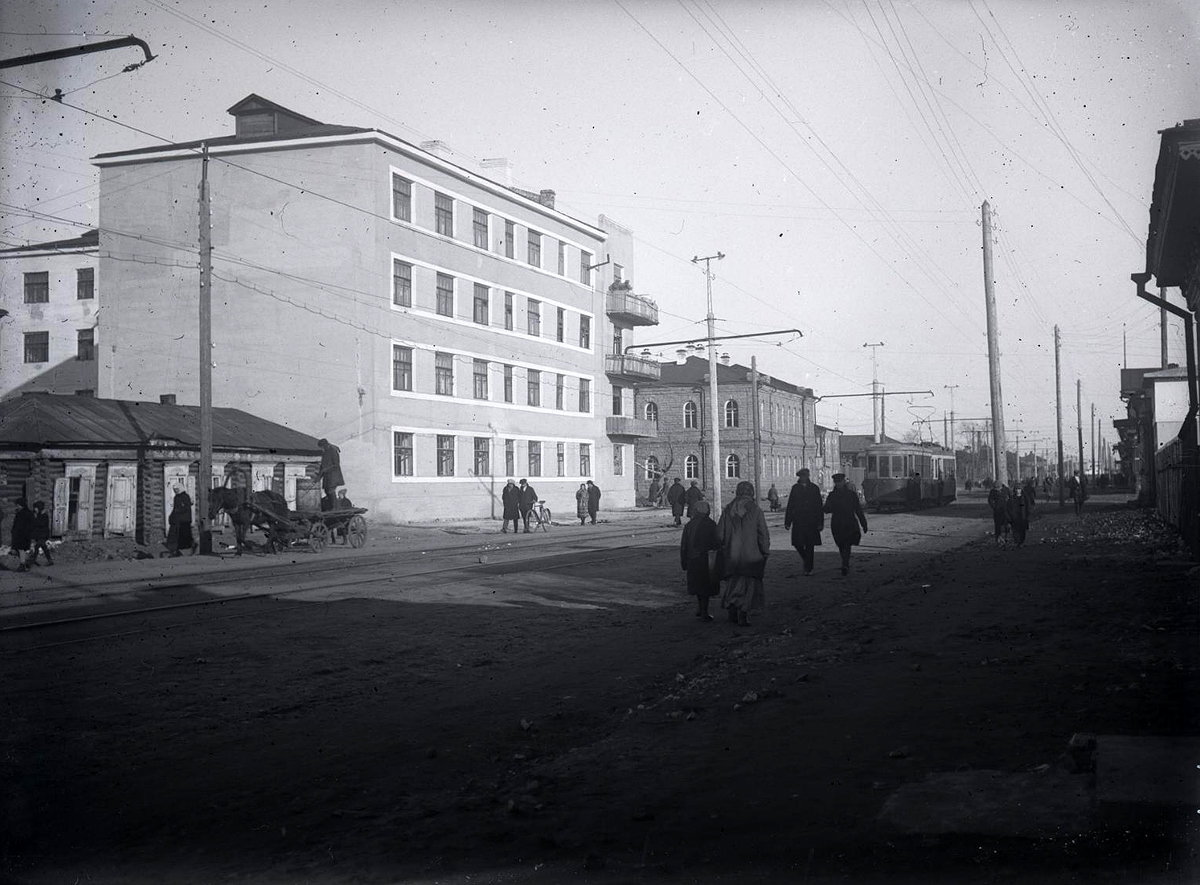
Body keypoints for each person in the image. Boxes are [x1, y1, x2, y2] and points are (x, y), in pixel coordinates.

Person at [717, 480, 771, 627]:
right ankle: (743, 615)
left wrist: (723, 549)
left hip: (732, 558)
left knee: (733, 586)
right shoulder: (756, 511)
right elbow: (763, 535)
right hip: (751, 557)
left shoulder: (728, 510)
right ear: (751, 493)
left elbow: (719, 535)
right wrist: (765, 552)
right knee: (748, 588)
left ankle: (732, 611)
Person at [680, 499, 721, 621]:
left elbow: (684, 545)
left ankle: (700, 608)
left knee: (698, 586)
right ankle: (704, 611)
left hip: (692, 559)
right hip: (707, 560)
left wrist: (684, 561)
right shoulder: (711, 524)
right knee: (706, 588)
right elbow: (717, 543)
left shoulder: (689, 525)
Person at [823, 473, 868, 577]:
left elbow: (858, 510)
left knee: (846, 544)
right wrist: (824, 507)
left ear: (843, 482)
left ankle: (845, 563)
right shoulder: (832, 495)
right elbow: (827, 509)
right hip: (839, 523)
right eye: (837, 482)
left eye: (840, 482)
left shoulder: (850, 495)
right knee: (841, 543)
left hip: (847, 523)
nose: (838, 484)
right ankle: (845, 562)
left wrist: (864, 524)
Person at [783, 468, 823, 576]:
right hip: (799, 520)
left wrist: (820, 523)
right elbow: (790, 505)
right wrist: (788, 522)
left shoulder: (814, 488)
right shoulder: (795, 488)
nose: (804, 478)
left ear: (808, 476)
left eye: (805, 475)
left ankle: (808, 568)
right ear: (799, 477)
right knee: (797, 543)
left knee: (810, 545)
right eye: (802, 476)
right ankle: (807, 560)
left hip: (811, 521)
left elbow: (819, 506)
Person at [164, 486, 193, 558]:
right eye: (174, 490)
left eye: (177, 489)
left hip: (183, 521)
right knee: (176, 536)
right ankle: (175, 551)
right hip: (177, 520)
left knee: (181, 537)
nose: (176, 491)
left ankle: (179, 551)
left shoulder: (185, 497)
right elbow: (175, 509)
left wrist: (179, 510)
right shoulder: (177, 497)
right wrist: (172, 517)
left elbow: (186, 508)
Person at [10, 498, 33, 572]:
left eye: (18, 505)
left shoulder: (22, 513)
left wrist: (16, 532)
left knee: (21, 549)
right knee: (21, 549)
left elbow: (20, 525)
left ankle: (23, 565)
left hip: (22, 534)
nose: (17, 506)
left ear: (21, 505)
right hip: (23, 534)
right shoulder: (27, 512)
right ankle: (24, 564)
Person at [30, 500, 53, 566]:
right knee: (44, 547)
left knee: (37, 546)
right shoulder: (39, 515)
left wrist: (35, 518)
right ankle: (50, 561)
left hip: (44, 534)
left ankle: (32, 560)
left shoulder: (44, 515)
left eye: (36, 508)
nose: (35, 509)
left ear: (39, 508)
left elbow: (41, 524)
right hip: (39, 534)